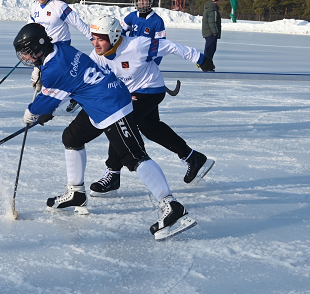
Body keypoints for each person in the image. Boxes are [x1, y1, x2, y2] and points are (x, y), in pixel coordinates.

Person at [13, 22, 196, 239]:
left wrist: (32, 112)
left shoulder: (54, 71)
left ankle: (172, 206)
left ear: (39, 47)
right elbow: (64, 82)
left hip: (111, 106)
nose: (24, 57)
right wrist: (40, 71)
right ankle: (76, 193)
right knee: (71, 137)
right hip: (97, 101)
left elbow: (46, 103)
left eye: (27, 53)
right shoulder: (61, 48)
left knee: (133, 157)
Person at [85, 15, 214, 196]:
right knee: (151, 128)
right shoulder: (97, 56)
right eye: (93, 38)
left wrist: (199, 58)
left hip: (151, 90)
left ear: (113, 36)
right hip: (130, 92)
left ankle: (113, 173)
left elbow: (169, 46)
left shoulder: (138, 45)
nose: (95, 43)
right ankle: (193, 158)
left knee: (119, 122)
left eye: (100, 39)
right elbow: (86, 77)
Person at [28, 0, 92, 99]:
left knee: (54, 77)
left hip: (60, 47)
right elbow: (30, 29)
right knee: (37, 79)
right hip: (43, 48)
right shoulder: (35, 8)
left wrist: (91, 37)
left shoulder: (59, 6)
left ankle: (55, 101)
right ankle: (43, 100)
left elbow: (77, 22)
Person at [202, 0, 223, 67]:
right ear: (217, 2)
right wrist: (215, 32)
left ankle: (208, 63)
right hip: (211, 33)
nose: (219, 3)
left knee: (209, 48)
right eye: (219, 1)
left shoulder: (208, 8)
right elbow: (212, 22)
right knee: (210, 49)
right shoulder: (213, 10)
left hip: (208, 32)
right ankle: (206, 64)